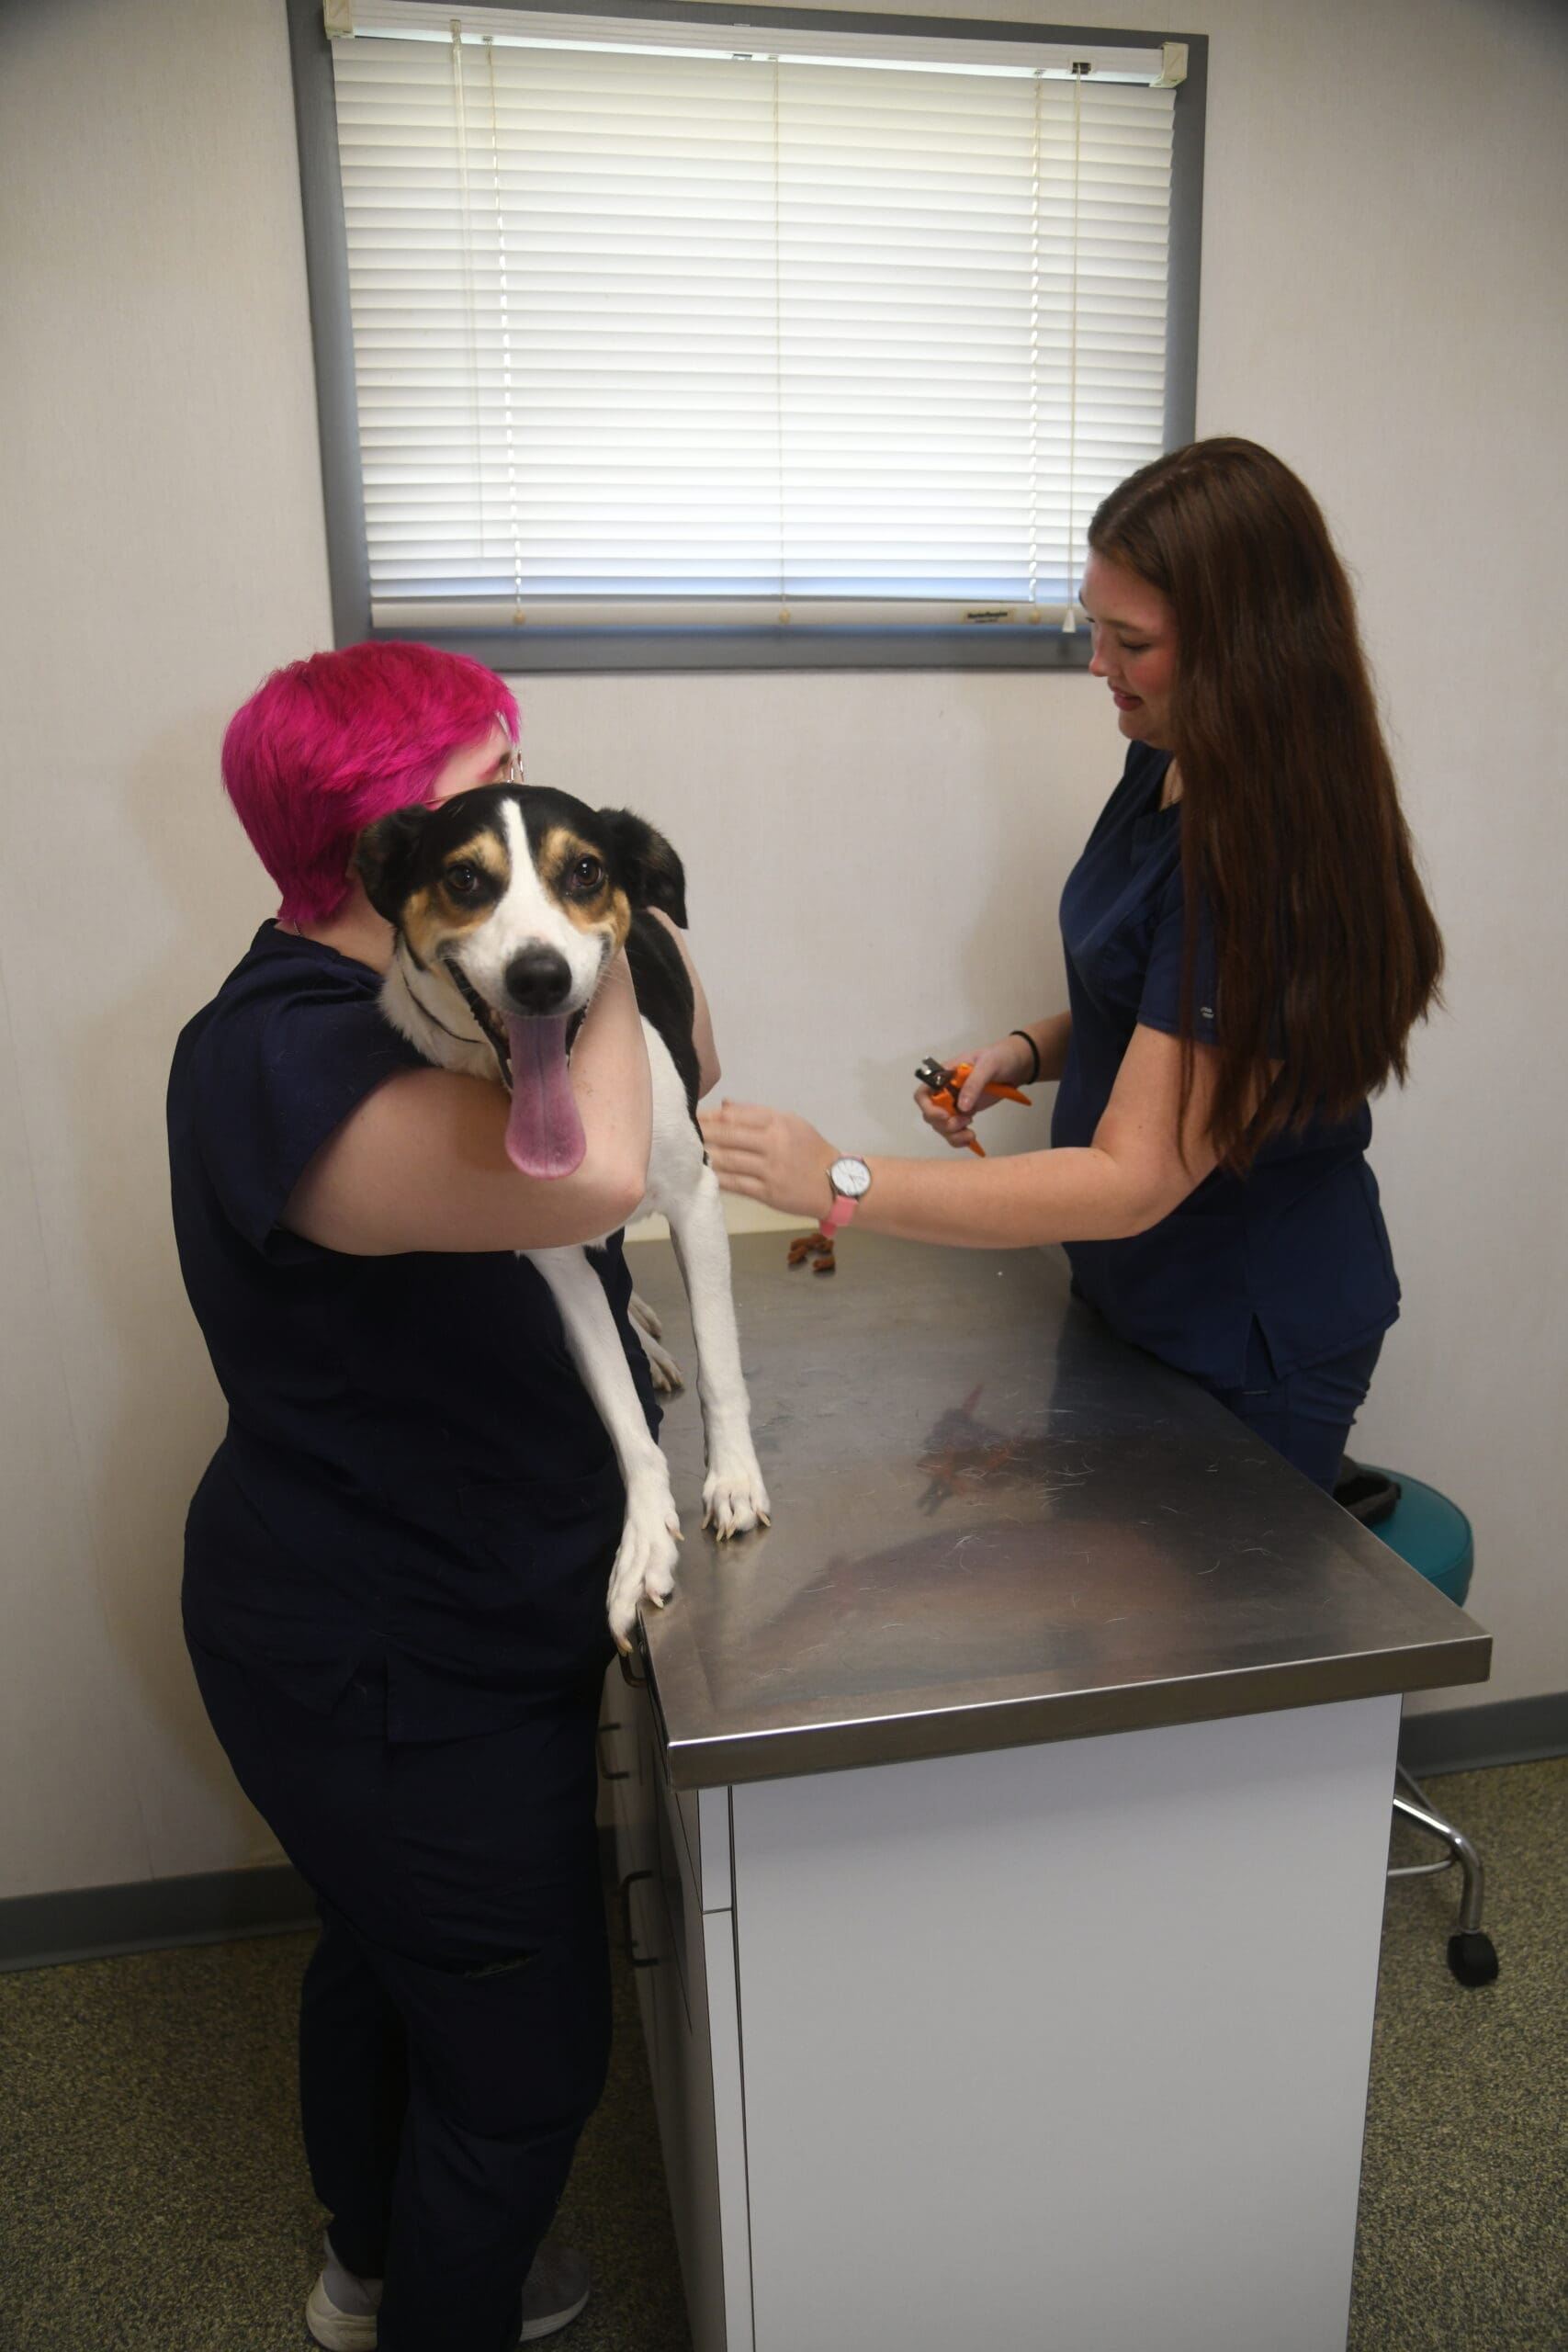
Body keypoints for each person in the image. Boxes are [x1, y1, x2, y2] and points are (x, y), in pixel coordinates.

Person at [167, 639, 716, 2352]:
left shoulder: (443, 1006)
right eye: (494, 782)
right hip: (385, 1658)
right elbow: (606, 1176)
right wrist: (577, 930)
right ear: (394, 850)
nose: (527, 801)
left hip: (427, 1611)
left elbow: (684, 1074)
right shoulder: (286, 1055)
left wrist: (580, 932)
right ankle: (437, 2305)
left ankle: (370, 2273)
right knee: (526, 2058)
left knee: (387, 1964)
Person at [701, 438, 1443, 1489]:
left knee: (1179, 1635)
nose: (1097, 664)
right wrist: (1025, 1051)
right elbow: (1160, 990)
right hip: (1132, 1291)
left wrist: (842, 1182)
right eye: (1095, 627)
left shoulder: (1257, 857)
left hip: (1246, 1325)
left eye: (1129, 640)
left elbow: (1131, 1178)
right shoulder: (1166, 761)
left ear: (1242, 650)